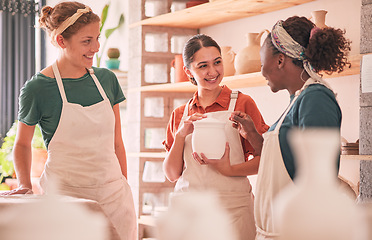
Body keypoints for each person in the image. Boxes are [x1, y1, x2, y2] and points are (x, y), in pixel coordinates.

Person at [0, 2, 137, 240]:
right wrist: (25, 184)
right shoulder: (38, 88)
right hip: (64, 197)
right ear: (61, 41)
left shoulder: (107, 80)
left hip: (114, 197)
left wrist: (124, 184)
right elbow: (22, 143)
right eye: (87, 41)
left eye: (97, 38)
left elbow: (117, 142)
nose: (95, 47)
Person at [228, 16, 351, 239]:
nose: (261, 70)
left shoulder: (315, 99)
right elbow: (287, 161)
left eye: (261, 60)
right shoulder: (299, 99)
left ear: (280, 60)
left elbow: (318, 180)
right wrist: (253, 135)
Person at [162, 34, 269, 240]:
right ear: (188, 71)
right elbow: (172, 174)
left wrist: (229, 169)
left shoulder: (243, 103)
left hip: (233, 209)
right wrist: (181, 135)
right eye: (203, 66)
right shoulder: (180, 114)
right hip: (189, 211)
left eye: (217, 62)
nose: (213, 72)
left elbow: (264, 160)